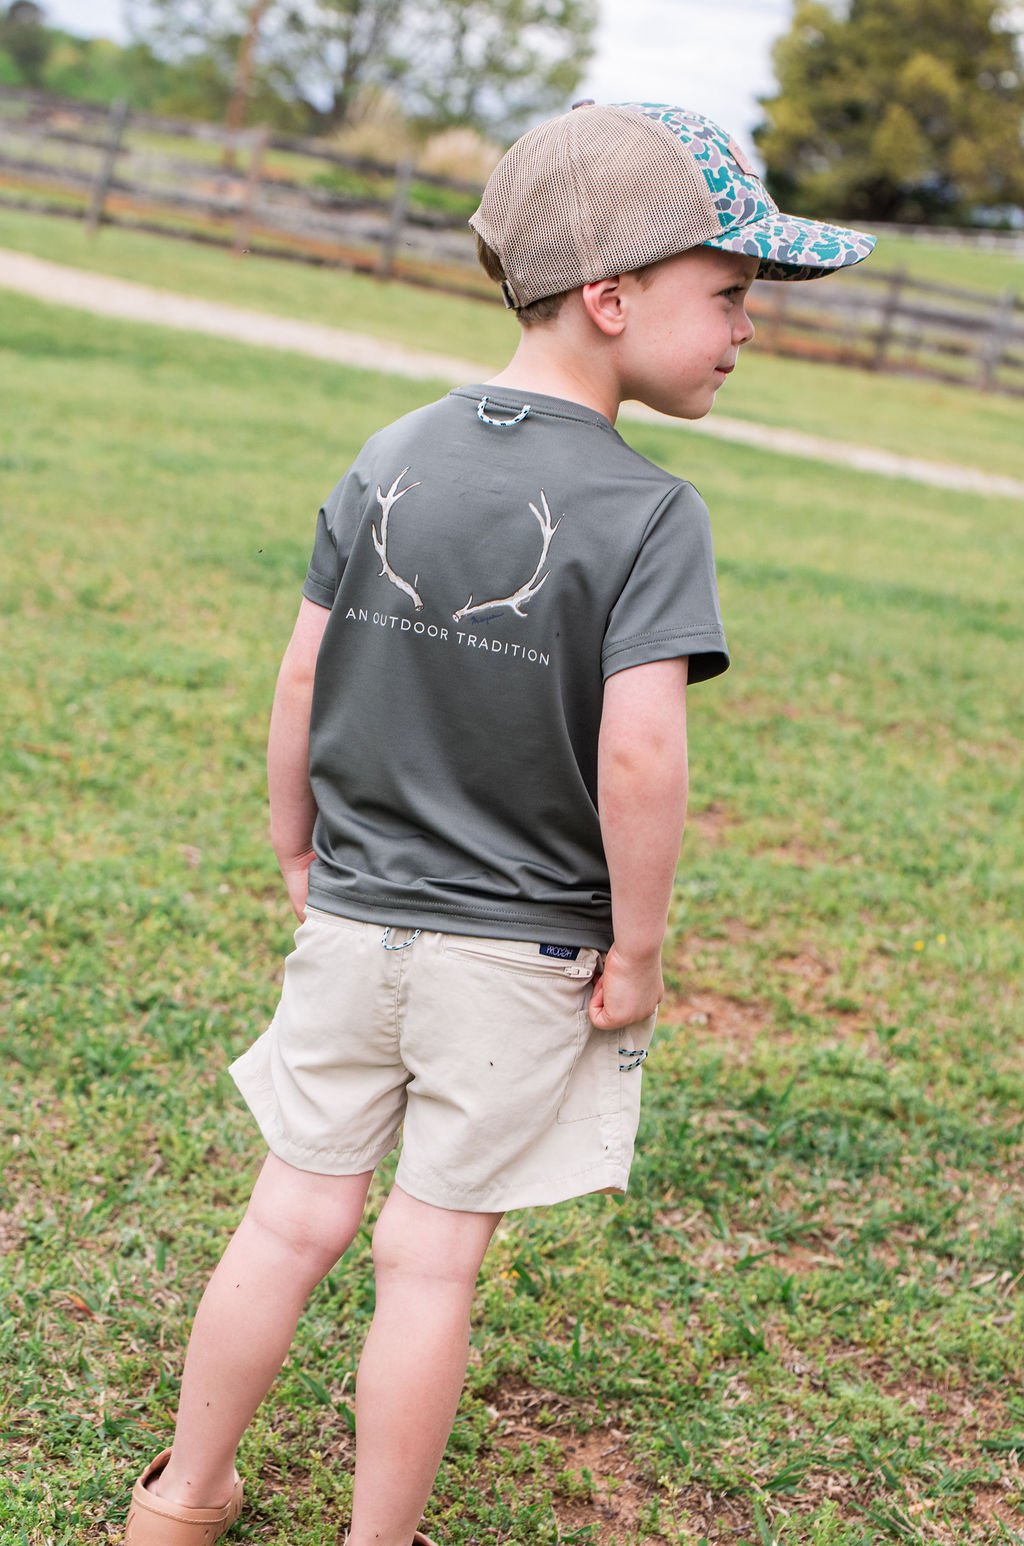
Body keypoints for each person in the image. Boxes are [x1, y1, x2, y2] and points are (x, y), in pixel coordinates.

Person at [123, 101, 874, 1546]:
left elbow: (302, 666)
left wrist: (301, 848)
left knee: (289, 1220)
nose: (746, 326)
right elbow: (642, 754)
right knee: (427, 1259)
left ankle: (182, 1496)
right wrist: (638, 951)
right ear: (613, 294)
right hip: (516, 954)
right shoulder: (652, 512)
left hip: (351, 918)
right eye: (728, 292)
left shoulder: (393, 448)